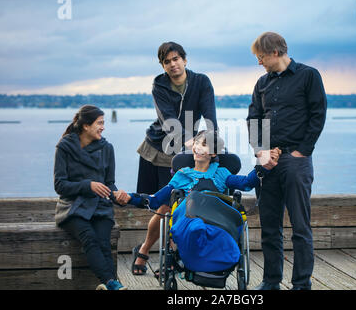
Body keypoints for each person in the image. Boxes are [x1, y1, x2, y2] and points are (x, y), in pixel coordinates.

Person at [120, 130, 277, 274]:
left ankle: (207, 249)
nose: (198, 148)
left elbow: (246, 183)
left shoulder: (221, 173)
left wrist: (264, 166)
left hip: (215, 223)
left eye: (204, 145)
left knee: (206, 214)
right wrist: (129, 197)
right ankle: (183, 250)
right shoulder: (182, 175)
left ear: (213, 152)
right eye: (196, 143)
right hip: (188, 223)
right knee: (189, 209)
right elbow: (155, 201)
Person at [247, 32, 327, 290]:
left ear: (274, 53)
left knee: (300, 226)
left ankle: (302, 283)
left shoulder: (309, 75)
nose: (259, 62)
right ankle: (271, 281)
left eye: (260, 57)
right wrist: (260, 152)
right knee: (270, 226)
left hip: (296, 160)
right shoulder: (261, 83)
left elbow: (318, 114)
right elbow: (253, 120)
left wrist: (302, 152)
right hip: (267, 162)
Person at [133, 42, 218, 274]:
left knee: (182, 205)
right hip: (159, 149)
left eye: (176, 59)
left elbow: (210, 116)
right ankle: (146, 250)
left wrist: (213, 144)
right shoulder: (159, 85)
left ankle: (169, 258)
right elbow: (168, 119)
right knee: (165, 206)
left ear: (185, 60)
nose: (173, 64)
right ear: (163, 66)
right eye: (167, 61)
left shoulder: (201, 82)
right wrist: (185, 141)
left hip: (191, 149)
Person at [54, 105, 129, 290]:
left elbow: (109, 183)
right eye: (100, 123)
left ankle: (109, 285)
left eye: (103, 122)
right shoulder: (64, 147)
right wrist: (88, 185)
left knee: (104, 243)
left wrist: (117, 195)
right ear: (86, 126)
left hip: (100, 207)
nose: (103, 127)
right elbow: (59, 185)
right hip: (72, 207)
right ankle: (112, 283)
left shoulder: (107, 148)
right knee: (89, 238)